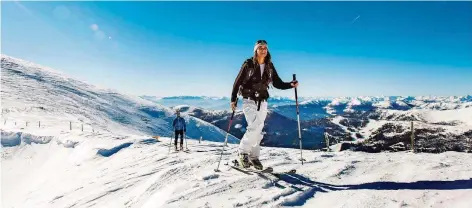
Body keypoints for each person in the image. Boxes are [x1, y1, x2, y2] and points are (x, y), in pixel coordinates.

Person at [230, 40, 299, 170]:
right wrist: (233, 99)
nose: (263, 50)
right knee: (254, 126)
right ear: (255, 50)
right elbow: (237, 82)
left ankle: (254, 157)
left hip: (263, 101)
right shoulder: (248, 64)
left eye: (265, 48)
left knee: (259, 128)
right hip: (249, 100)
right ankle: (242, 152)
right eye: (260, 48)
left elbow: (277, 83)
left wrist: (290, 85)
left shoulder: (269, 66)